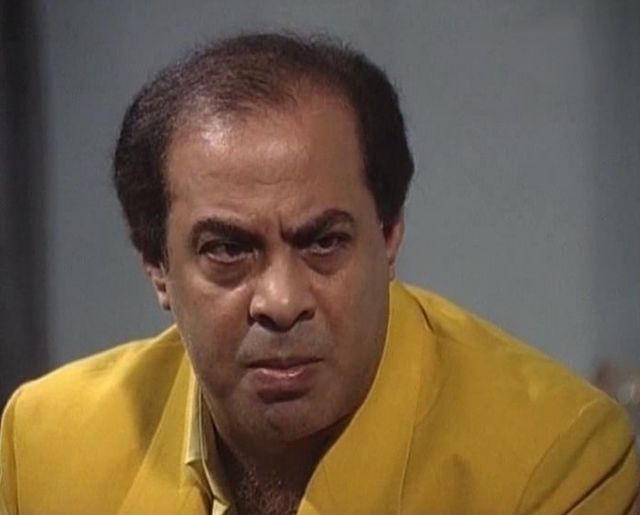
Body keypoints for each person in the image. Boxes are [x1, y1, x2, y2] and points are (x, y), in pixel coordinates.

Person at [1, 32, 638, 515]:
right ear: (157, 265)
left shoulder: (556, 461)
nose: (281, 302)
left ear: (389, 234)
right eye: (228, 250)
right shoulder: (46, 444)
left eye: (324, 242)